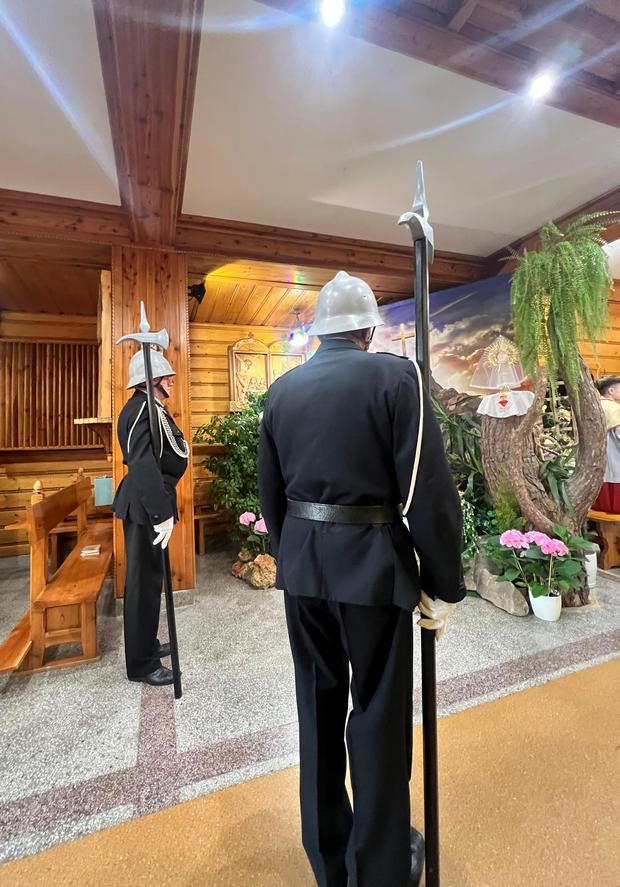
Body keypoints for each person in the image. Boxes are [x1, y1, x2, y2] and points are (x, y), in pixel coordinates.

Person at [258, 271, 465, 887]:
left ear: (321, 331)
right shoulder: (397, 378)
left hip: (303, 569)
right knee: (377, 714)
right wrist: (444, 583)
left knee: (317, 708)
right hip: (372, 569)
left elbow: (271, 494)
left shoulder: (282, 391)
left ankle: (329, 862)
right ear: (370, 330)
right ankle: (378, 869)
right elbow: (426, 491)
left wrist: (292, 555)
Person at [113, 347, 189, 686]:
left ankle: (148, 644)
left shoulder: (148, 407)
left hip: (150, 502)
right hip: (146, 505)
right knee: (142, 586)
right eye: (165, 376)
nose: (171, 380)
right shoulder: (142, 410)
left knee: (151, 581)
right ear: (150, 381)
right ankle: (142, 664)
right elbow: (142, 464)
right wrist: (160, 513)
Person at [593, 376, 620, 513]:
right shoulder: (615, 408)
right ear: (611, 390)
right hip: (615, 456)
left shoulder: (593, 406)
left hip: (595, 457)